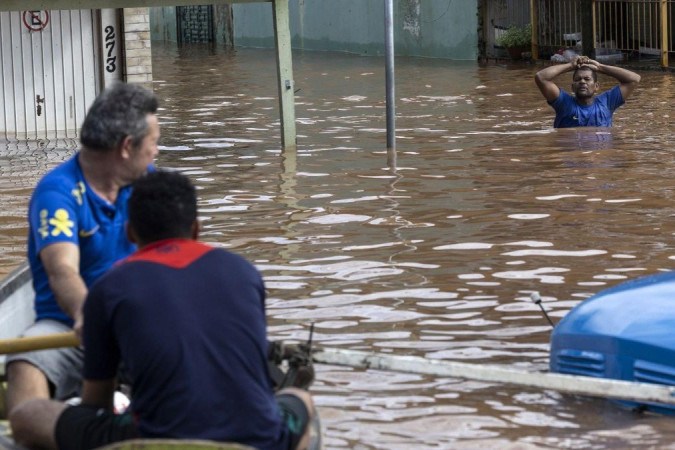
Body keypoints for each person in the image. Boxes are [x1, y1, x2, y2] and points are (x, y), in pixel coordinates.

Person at [10, 170, 318, 450]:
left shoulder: (110, 287)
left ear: (130, 233)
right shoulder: (245, 272)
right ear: (196, 228)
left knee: (28, 414)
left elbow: (96, 402)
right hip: (260, 438)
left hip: (151, 437)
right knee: (301, 400)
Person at [5, 83, 160, 417]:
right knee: (23, 367)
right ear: (126, 147)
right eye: (153, 144)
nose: (156, 153)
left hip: (139, 320)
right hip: (69, 327)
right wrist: (89, 316)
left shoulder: (149, 182)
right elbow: (63, 270)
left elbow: (172, 250)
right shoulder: (58, 192)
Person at [534, 55, 641, 128]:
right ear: (572, 87)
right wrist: (570, 65)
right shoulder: (564, 103)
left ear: (596, 86)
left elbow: (634, 79)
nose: (582, 82)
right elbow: (541, 77)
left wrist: (600, 67)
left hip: (599, 158)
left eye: (587, 79)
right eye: (578, 79)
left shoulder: (607, 102)